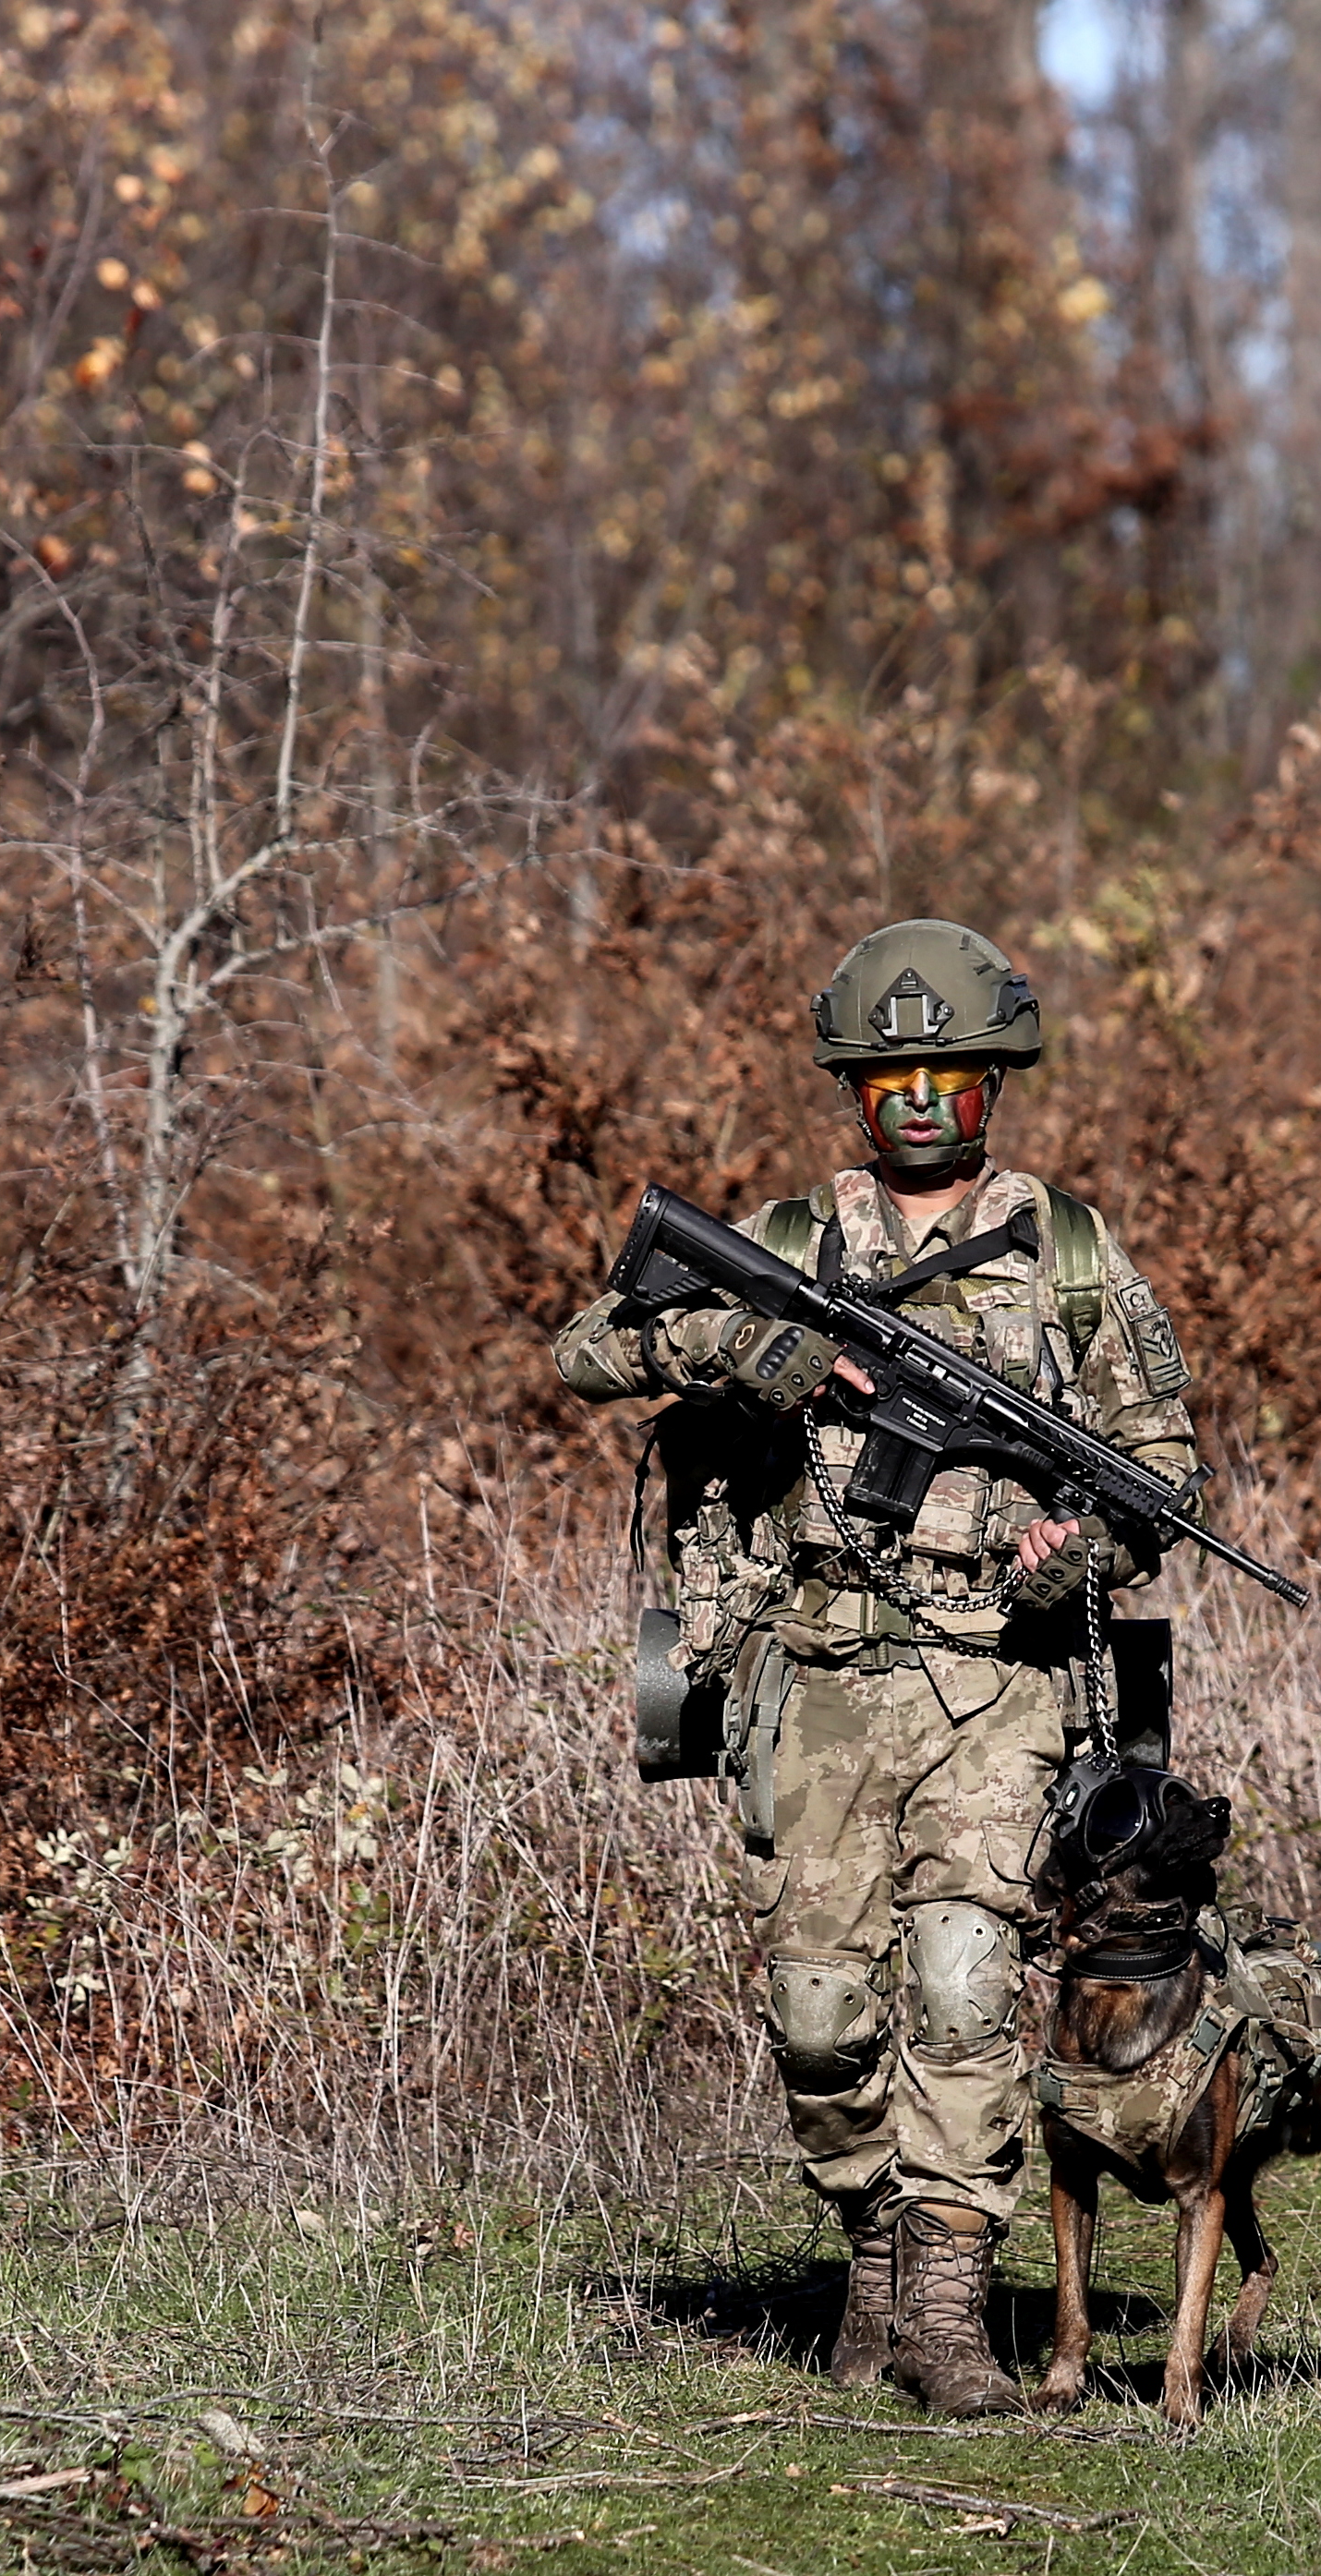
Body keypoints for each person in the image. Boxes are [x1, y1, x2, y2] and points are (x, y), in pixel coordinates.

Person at [551, 920, 1208, 2416]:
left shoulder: (1076, 1252)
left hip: (997, 1673)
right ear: (855, 1081)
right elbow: (587, 1346)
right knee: (821, 2011)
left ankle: (950, 2309)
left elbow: (1159, 1465)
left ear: (995, 1080)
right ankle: (868, 2242)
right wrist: (741, 1346)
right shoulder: (788, 1239)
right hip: (817, 1673)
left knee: (965, 1976)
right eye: (889, 1072)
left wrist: (1084, 1549)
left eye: (950, 1074)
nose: (919, 1100)